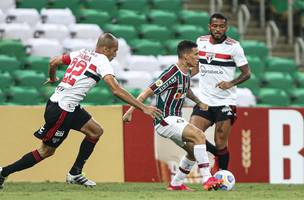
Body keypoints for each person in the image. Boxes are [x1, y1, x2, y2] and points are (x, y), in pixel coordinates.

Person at [0, 33, 162, 189]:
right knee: (46, 151)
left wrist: (52, 78)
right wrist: (143, 107)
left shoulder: (82, 53)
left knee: (95, 131)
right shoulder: (103, 61)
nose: (115, 54)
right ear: (105, 49)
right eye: (114, 50)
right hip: (62, 110)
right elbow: (116, 90)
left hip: (65, 105)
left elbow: (53, 62)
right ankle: (3, 172)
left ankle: (75, 173)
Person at [123, 40, 223, 191]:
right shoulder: (171, 74)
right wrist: (130, 112)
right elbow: (146, 92)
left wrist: (199, 102)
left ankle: (175, 184)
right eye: (195, 54)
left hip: (175, 118)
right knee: (199, 135)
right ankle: (208, 179)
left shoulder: (187, 72)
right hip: (164, 119)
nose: (198, 57)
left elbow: (186, 88)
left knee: (192, 151)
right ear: (185, 56)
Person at [190, 13, 251, 174]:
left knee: (220, 142)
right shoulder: (200, 41)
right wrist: (185, 77)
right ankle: (218, 154)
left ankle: (222, 175)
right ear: (209, 26)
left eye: (221, 26)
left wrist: (230, 83)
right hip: (204, 101)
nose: (218, 29)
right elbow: (198, 66)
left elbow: (247, 73)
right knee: (191, 135)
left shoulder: (234, 46)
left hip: (225, 102)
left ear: (226, 28)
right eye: (215, 26)